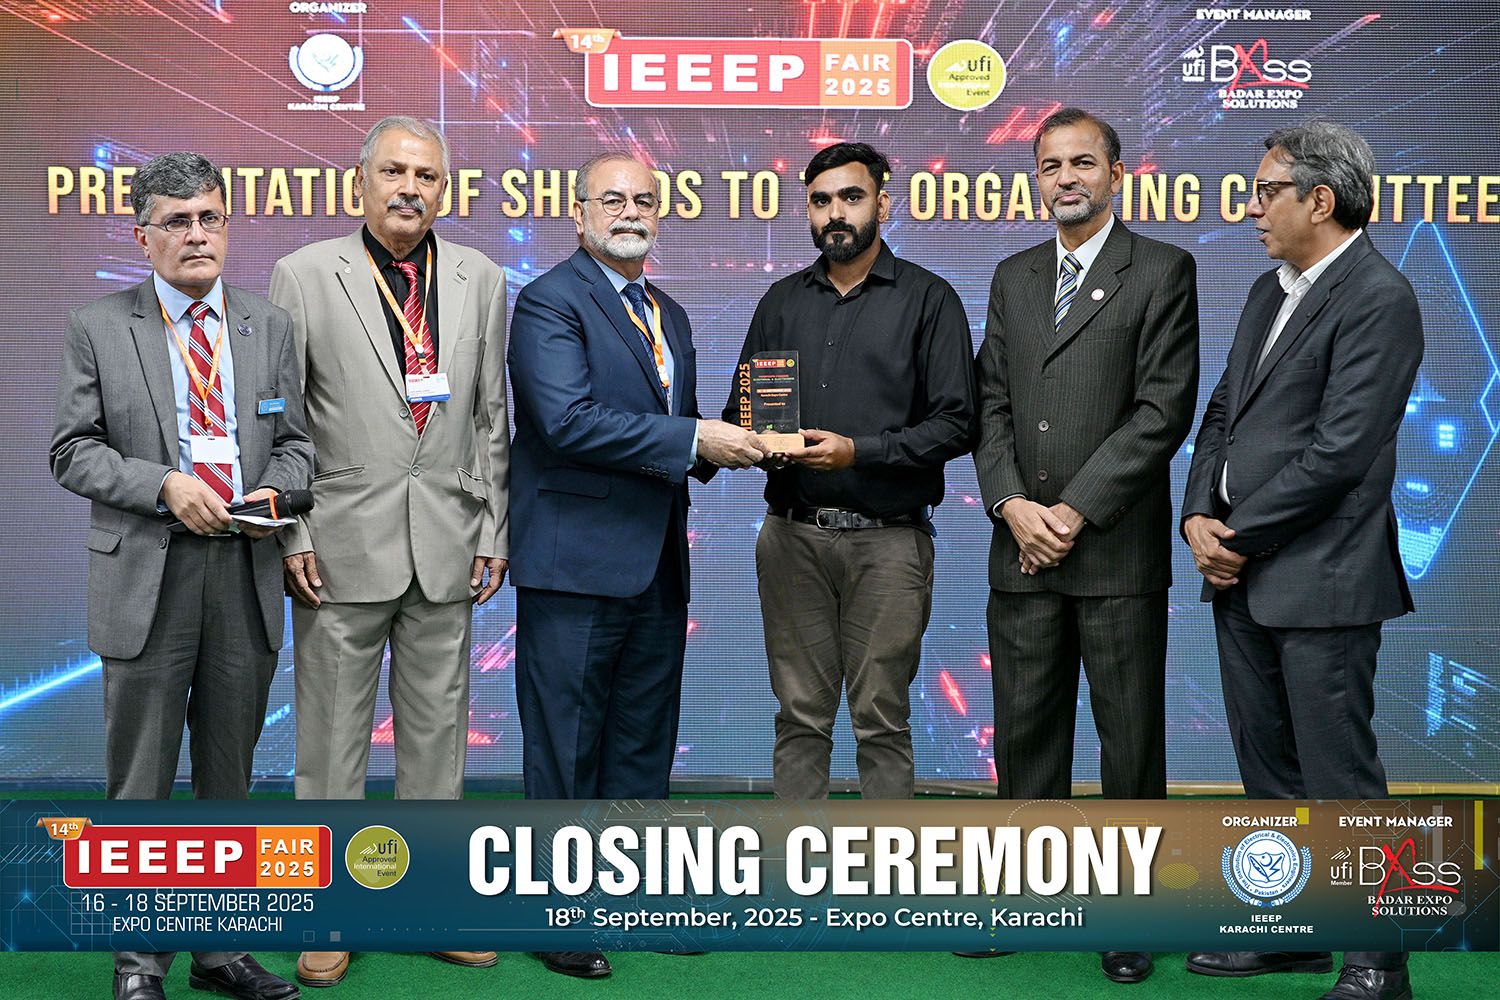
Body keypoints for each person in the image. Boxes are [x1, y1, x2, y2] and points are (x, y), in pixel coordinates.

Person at [51, 152, 311, 1000]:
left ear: (226, 226)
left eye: (209, 218)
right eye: (177, 221)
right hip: (146, 577)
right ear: (143, 236)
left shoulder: (269, 325)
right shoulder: (98, 325)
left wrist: (277, 490)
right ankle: (138, 964)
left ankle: (219, 951)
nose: (197, 235)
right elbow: (72, 450)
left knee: (228, 779)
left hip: (243, 570)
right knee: (142, 784)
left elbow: (299, 444)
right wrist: (162, 484)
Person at [508, 152, 765, 979]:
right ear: (578, 213)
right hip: (575, 563)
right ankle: (556, 912)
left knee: (643, 741)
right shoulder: (550, 301)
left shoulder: (669, 313)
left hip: (656, 561)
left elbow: (674, 432)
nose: (630, 212)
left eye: (644, 200)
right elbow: (566, 421)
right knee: (566, 746)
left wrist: (744, 439)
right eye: (612, 199)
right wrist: (697, 438)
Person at [1181, 118, 1422, 1000]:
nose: (1251, 208)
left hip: (1323, 580)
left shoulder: (1379, 296)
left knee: (1340, 781)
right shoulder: (1266, 290)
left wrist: (1236, 540)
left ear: (1320, 200)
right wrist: (1197, 515)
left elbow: (1341, 454)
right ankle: (1289, 933)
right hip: (1241, 577)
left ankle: (1378, 966)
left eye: (1264, 191)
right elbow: (1222, 415)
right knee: (1269, 773)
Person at [268, 116, 509, 988]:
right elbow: (282, 421)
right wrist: (293, 528)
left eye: (428, 176)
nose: (411, 188)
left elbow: (489, 415)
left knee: (438, 745)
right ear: (360, 180)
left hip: (449, 540)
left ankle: (433, 905)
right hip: (339, 546)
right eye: (395, 171)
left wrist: (493, 528)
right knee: (331, 745)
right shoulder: (303, 273)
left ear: (445, 190)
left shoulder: (482, 277)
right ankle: (328, 915)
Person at [972, 108, 1199, 984]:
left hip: (1112, 554)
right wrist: (1011, 505)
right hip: (1021, 550)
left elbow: (1162, 411)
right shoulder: (1013, 275)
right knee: (1025, 735)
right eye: (1049, 165)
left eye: (1082, 163)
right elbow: (991, 404)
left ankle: (1130, 912)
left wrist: (1070, 512)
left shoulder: (1162, 269)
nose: (1065, 178)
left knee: (1129, 742)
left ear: (1116, 175)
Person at [724, 141, 977, 801]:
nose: (835, 213)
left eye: (851, 197)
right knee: (799, 719)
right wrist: (755, 441)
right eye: (820, 201)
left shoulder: (929, 299)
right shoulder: (780, 301)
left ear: (883, 205)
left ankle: (884, 863)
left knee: (881, 722)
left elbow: (958, 424)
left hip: (888, 542)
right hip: (792, 538)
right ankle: (795, 859)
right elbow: (741, 411)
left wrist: (857, 451)